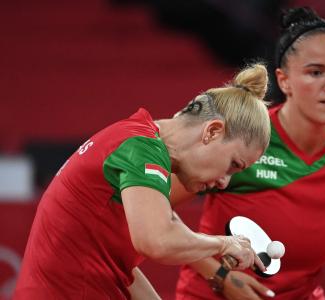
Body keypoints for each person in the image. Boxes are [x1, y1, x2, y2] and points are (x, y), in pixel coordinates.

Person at [172, 7, 325, 300]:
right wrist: (221, 275)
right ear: (284, 81)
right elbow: (159, 210)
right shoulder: (246, 133)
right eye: (316, 72)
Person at [13, 63, 271, 300]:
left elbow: (121, 269)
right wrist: (224, 243)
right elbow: (158, 241)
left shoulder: (138, 143)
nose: (225, 181)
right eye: (233, 165)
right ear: (212, 131)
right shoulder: (141, 148)